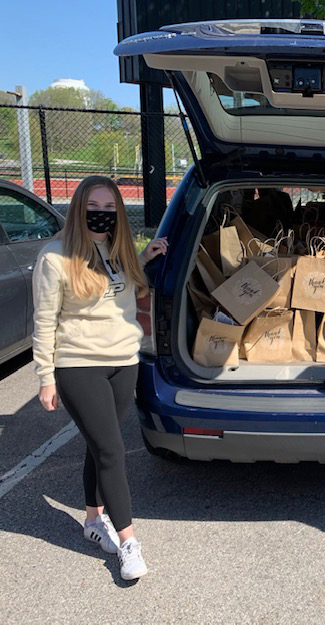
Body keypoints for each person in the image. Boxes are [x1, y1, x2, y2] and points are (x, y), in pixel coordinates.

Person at [32, 176, 168, 581]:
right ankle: (128, 542)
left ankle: (93, 520)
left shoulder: (119, 250)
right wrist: (45, 378)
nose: (102, 213)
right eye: (95, 205)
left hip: (123, 360)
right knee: (111, 450)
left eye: (110, 208)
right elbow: (43, 323)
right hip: (78, 365)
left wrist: (144, 258)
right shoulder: (55, 257)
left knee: (98, 444)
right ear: (78, 207)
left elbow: (126, 290)